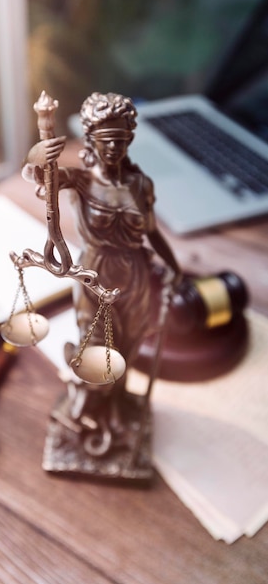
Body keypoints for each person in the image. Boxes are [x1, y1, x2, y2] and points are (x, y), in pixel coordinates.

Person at [23, 91, 180, 457]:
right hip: (95, 274)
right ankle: (92, 404)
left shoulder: (141, 185)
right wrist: (35, 155)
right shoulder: (79, 180)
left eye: (120, 140)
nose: (113, 147)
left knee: (126, 349)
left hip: (136, 276)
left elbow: (153, 233)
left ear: (130, 139)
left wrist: (174, 267)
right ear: (91, 139)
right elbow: (39, 176)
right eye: (105, 140)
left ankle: (117, 407)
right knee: (96, 348)